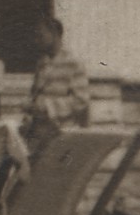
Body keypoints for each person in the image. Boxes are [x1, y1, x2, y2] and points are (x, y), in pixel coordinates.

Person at [25, 15, 91, 149]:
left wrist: (48, 107)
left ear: (55, 34)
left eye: (41, 36)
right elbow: (35, 95)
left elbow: (81, 100)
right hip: (38, 133)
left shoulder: (74, 63)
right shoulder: (42, 63)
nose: (37, 40)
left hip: (62, 134)